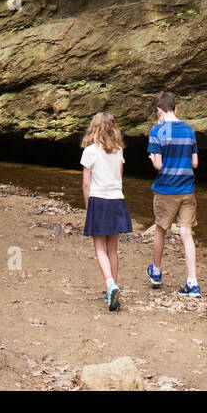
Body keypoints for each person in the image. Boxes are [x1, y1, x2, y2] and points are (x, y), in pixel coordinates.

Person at [145, 91, 200, 297]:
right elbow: (194, 163)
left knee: (160, 229)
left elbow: (158, 165)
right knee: (186, 233)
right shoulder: (188, 130)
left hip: (166, 188)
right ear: (175, 109)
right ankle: (192, 283)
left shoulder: (157, 131)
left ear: (158, 111)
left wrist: (152, 159)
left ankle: (157, 272)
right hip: (187, 188)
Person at [80, 111, 133, 311]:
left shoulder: (90, 151)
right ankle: (113, 290)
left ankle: (110, 284)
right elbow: (119, 178)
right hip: (117, 199)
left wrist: (88, 206)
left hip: (99, 200)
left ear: (94, 128)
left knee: (100, 247)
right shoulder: (119, 151)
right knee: (113, 248)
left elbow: (86, 183)